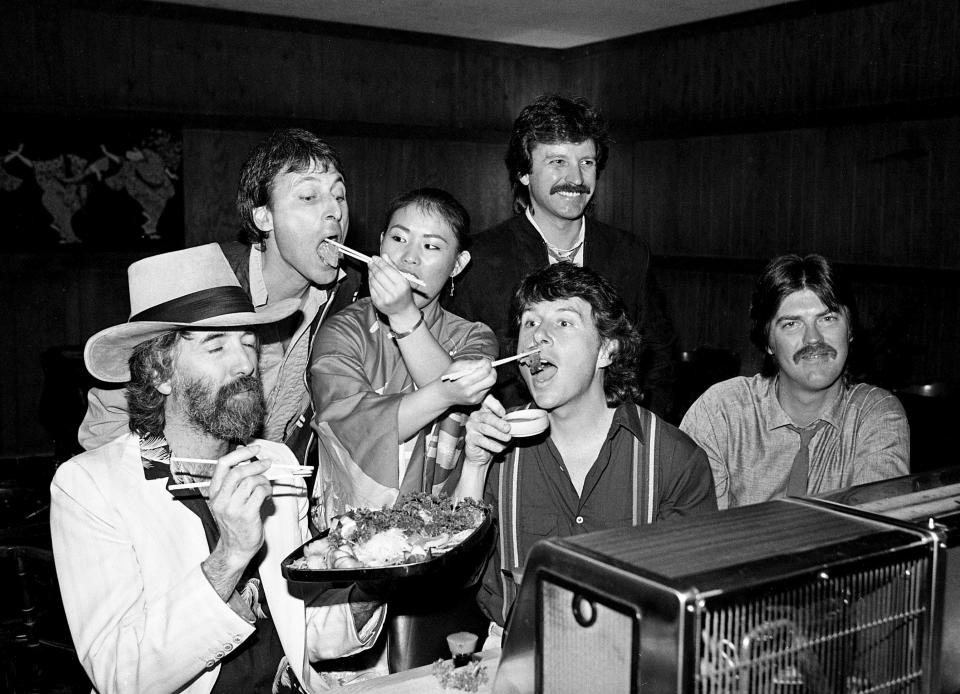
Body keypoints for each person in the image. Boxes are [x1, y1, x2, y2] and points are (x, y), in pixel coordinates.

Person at [50, 245, 385, 694]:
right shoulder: (90, 487)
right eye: (217, 345)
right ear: (159, 372)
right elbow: (120, 677)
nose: (246, 363)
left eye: (249, 342)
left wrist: (370, 577)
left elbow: (305, 632)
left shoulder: (276, 464)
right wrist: (230, 556)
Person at [457, 262, 715, 637]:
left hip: (636, 653)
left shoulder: (674, 458)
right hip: (513, 649)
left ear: (606, 351)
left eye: (563, 323)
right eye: (530, 322)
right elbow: (459, 579)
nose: (537, 338)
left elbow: (692, 600)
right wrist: (475, 466)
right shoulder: (495, 444)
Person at [79, 128, 362, 463]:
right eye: (309, 197)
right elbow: (105, 424)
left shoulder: (349, 295)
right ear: (264, 216)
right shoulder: (208, 282)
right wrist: (173, 486)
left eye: (339, 195)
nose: (334, 212)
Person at [309, 188, 498, 673]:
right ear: (377, 246)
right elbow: (350, 426)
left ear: (459, 264)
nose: (409, 257)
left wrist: (404, 317)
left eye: (433, 247)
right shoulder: (341, 331)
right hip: (350, 563)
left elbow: (466, 394)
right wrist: (446, 393)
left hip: (442, 560)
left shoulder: (473, 336)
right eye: (398, 238)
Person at [446, 93, 677, 418]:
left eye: (587, 162)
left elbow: (657, 359)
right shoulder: (480, 258)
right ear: (524, 174)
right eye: (558, 162)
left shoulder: (629, 253)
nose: (576, 178)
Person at [679, 253, 910, 510]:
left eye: (828, 318)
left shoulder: (874, 416)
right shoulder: (720, 413)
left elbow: (877, 533)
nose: (813, 338)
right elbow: (700, 536)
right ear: (768, 341)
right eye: (791, 324)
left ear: (850, 328)